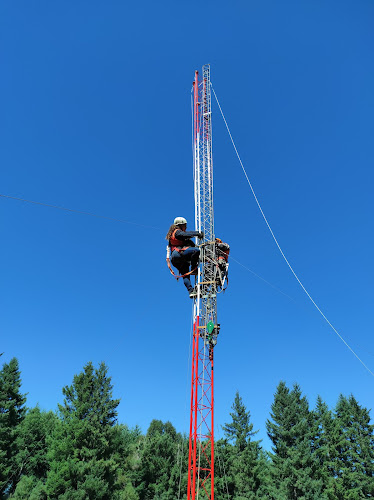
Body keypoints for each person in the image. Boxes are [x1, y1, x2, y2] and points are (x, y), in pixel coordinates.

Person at [166, 217, 203, 298]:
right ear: (180, 225)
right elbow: (184, 234)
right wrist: (197, 233)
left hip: (177, 259)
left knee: (185, 275)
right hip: (178, 254)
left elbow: (187, 240)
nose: (186, 228)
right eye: (185, 225)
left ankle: (191, 291)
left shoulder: (174, 234)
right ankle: (194, 268)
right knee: (196, 251)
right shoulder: (177, 232)